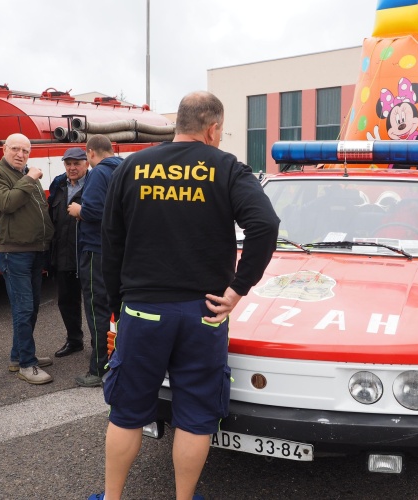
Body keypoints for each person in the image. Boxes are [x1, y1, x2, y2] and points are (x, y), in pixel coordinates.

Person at [90, 91, 279, 500]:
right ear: (212, 129)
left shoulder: (132, 167)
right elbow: (265, 224)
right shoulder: (227, 167)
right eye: (220, 132)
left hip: (142, 310)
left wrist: (115, 307)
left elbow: (111, 241)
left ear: (178, 123)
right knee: (195, 416)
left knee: (126, 411)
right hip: (204, 313)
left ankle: (111, 498)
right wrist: (238, 289)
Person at [0, 133, 55, 385]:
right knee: (23, 308)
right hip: (13, 252)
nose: (20, 154)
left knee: (31, 306)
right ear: (4, 148)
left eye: (25, 151)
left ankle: (19, 356)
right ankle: (27, 364)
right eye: (15, 149)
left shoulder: (25, 174)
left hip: (34, 249)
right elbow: (7, 203)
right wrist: (30, 178)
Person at [67, 135, 123, 388]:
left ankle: (99, 369)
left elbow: (96, 211)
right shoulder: (123, 167)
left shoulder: (99, 172)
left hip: (95, 250)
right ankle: (118, 359)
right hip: (116, 251)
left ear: (90, 153)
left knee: (96, 308)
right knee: (115, 309)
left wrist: (78, 210)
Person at [49, 147, 89, 358]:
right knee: (66, 301)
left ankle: (99, 345)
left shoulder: (94, 185)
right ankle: (74, 341)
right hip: (64, 255)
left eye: (77, 163)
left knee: (94, 304)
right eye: (68, 163)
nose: (72, 168)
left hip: (87, 255)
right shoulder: (58, 185)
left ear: (87, 164)